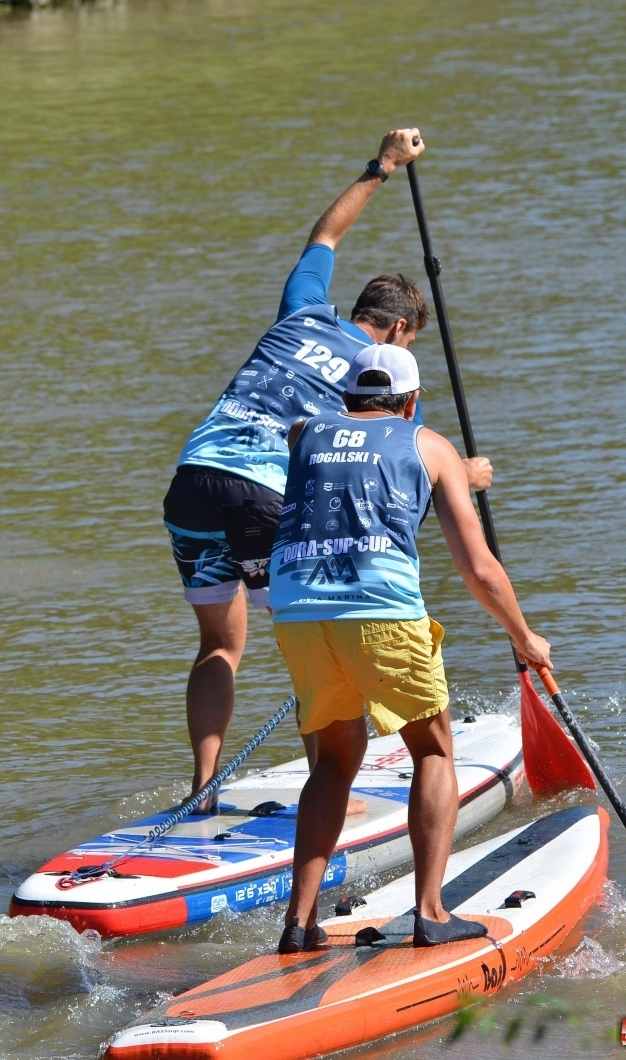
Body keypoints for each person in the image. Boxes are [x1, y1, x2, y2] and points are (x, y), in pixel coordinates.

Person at [164, 128, 491, 807]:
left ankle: (203, 786)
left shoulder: (302, 312)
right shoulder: (381, 381)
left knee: (218, 646)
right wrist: (466, 473)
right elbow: (405, 457)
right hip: (262, 493)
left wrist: (382, 168)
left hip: (193, 477)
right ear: (400, 332)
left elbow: (326, 238)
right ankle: (327, 782)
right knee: (305, 635)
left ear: (361, 309)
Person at [268, 343, 551, 951]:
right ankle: (430, 913)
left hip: (296, 613)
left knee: (335, 762)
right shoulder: (430, 444)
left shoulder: (304, 433)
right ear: (412, 400)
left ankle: (299, 925)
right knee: (431, 751)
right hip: (381, 615)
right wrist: (524, 637)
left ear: (347, 397)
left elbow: (330, 446)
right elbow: (478, 567)